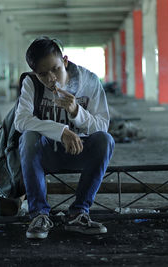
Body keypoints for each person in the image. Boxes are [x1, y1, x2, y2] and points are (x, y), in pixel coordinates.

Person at [14, 37, 115, 239]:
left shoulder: (90, 81)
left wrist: (76, 111)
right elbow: (21, 121)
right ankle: (39, 215)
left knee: (105, 140)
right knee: (28, 138)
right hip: (44, 156)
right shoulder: (31, 83)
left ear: (65, 61)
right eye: (43, 74)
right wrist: (61, 131)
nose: (51, 78)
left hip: (80, 152)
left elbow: (102, 125)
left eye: (55, 69)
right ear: (35, 73)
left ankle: (79, 213)